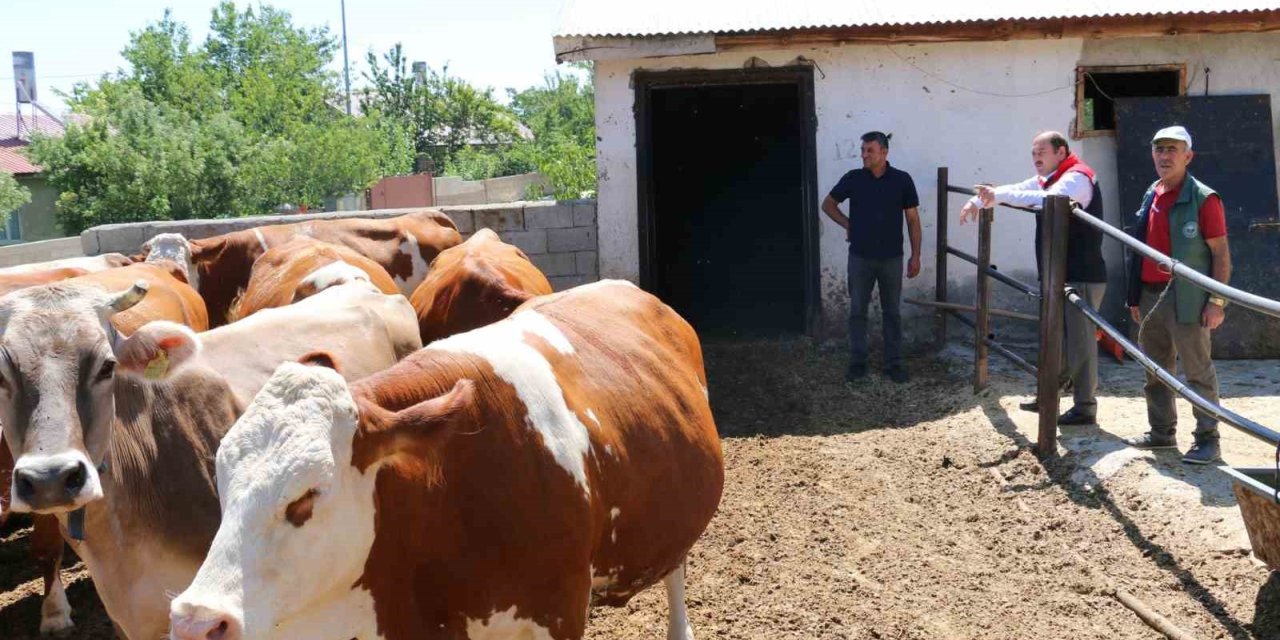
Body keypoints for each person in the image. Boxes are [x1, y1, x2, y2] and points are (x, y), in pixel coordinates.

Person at [959, 131, 1106, 426]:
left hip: (1081, 273)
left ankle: (1086, 407)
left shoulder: (1076, 178)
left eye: (1042, 152)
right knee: (1054, 336)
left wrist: (995, 196)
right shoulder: (1049, 177)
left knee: (1080, 342)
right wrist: (980, 200)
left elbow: (1046, 199)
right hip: (1058, 271)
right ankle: (1050, 395)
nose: (1036, 158)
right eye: (1033, 153)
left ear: (1061, 152)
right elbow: (1021, 189)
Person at [1123, 125, 1231, 465]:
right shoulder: (1151, 192)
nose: (1165, 156)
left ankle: (1208, 439)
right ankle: (1161, 432)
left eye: (1172, 149)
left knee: (1197, 370)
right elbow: (1141, 248)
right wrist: (1135, 296)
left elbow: (1221, 254)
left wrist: (1216, 301)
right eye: (1159, 149)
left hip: (1188, 297)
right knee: (1155, 368)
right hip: (1151, 294)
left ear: (1188, 156)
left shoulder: (1204, 198)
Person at [821, 131, 921, 384]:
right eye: (863, 150)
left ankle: (894, 364)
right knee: (857, 312)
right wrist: (848, 224)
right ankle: (857, 363)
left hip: (892, 258)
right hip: (860, 257)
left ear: (884, 153)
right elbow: (828, 204)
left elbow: (912, 219)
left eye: (870, 151)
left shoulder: (902, 180)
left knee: (892, 313)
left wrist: (915, 255)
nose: (864, 155)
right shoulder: (854, 179)